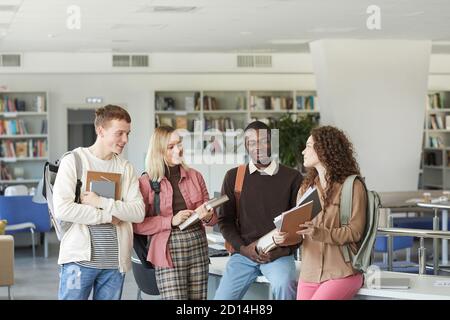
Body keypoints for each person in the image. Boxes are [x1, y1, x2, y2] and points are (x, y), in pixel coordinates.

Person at [53, 105, 145, 300]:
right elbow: (63, 209)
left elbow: (137, 212)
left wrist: (100, 202)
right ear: (100, 130)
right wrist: (108, 216)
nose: (125, 140)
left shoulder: (125, 167)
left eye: (127, 134)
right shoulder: (74, 161)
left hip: (114, 264)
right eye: (119, 133)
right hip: (77, 261)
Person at [274, 125, 367, 300]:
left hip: (342, 273)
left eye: (308, 146)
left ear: (324, 150)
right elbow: (300, 233)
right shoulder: (306, 188)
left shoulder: (353, 186)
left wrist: (319, 233)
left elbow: (355, 231)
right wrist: (285, 237)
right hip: (309, 273)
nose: (303, 151)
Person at [214, 121, 303, 300]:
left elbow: (299, 225)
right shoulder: (233, 177)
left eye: (263, 141)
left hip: (278, 254)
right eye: (252, 142)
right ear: (246, 146)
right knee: (222, 299)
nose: (258, 147)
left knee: (284, 286)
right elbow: (225, 220)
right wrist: (243, 249)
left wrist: (280, 252)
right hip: (243, 254)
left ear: (272, 143)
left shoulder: (292, 177)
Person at [133, 126, 217, 300]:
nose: (178, 149)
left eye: (179, 144)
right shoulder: (146, 182)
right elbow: (137, 225)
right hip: (167, 250)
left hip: (198, 246)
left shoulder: (195, 176)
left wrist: (208, 215)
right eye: (171, 147)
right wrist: (171, 220)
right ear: (158, 151)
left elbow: (212, 218)